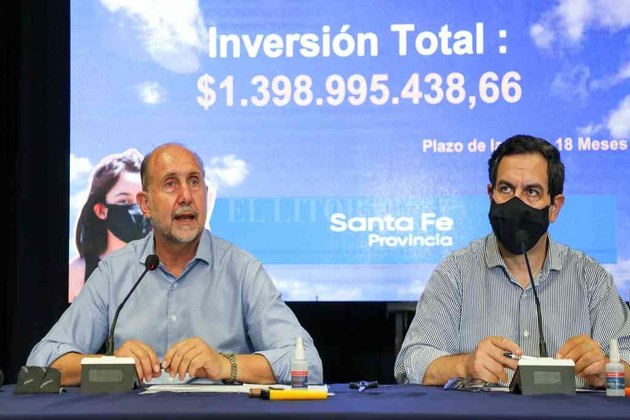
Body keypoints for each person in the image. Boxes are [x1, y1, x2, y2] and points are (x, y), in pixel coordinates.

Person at [29, 142, 323, 386]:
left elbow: (308, 364)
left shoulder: (241, 269)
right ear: (145, 204)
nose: (186, 197)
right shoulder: (115, 272)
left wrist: (225, 364)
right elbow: (40, 365)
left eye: (194, 182)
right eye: (170, 184)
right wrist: (110, 364)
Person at [394, 134, 630, 389]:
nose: (517, 203)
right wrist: (464, 365)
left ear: (554, 207)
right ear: (490, 195)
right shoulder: (455, 272)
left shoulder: (591, 279)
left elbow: (627, 360)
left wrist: (607, 369)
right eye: (506, 189)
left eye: (532, 192)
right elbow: (410, 363)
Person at [68, 148, 151, 302]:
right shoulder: (79, 272)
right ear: (101, 210)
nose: (137, 209)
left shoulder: (163, 269)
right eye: (124, 201)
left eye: (143, 200)